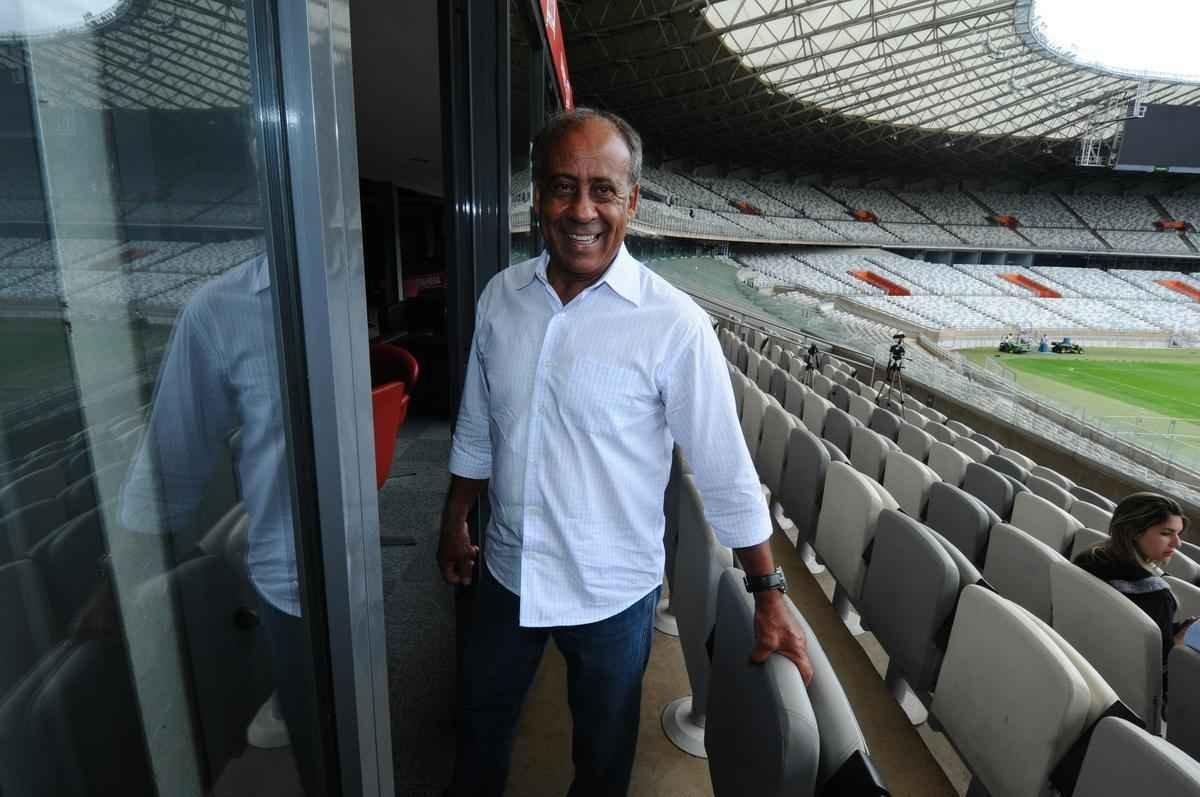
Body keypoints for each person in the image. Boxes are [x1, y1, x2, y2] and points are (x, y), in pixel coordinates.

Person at [439, 108, 812, 796]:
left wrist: (768, 594)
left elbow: (725, 469)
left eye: (603, 190)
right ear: (537, 197)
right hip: (506, 572)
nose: (582, 209)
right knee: (478, 733)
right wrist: (456, 518)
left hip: (612, 594)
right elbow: (477, 421)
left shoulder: (675, 325)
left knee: (603, 761)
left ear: (632, 201)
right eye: (562, 186)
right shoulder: (500, 298)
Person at [1073, 492, 1198, 706]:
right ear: (1133, 533)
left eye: (1178, 534)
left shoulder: (1087, 559)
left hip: (1081, 663)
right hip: (1126, 698)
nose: (1177, 544)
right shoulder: (1158, 597)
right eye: (1167, 533)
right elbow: (1159, 672)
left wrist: (1172, 629)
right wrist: (1178, 641)